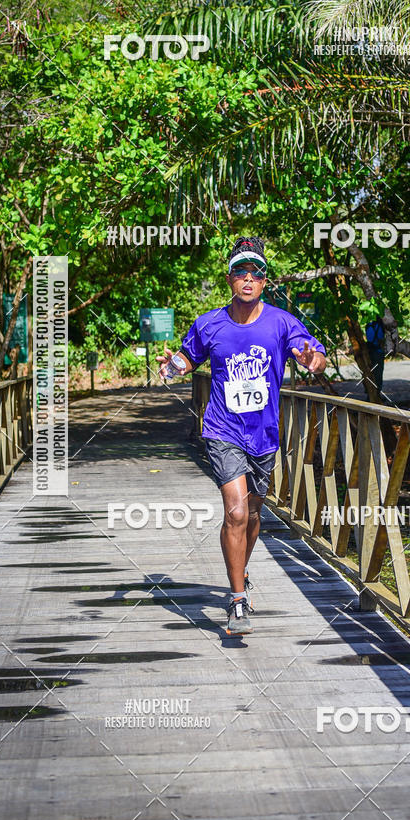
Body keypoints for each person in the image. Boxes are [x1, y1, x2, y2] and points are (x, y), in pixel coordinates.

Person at [156, 237, 327, 635]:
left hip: (265, 435)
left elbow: (315, 358)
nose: (248, 279)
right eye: (240, 272)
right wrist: (173, 367)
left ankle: (240, 570)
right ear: (230, 279)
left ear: (265, 282)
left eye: (256, 273)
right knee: (235, 511)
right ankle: (237, 599)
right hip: (222, 429)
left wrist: (311, 360)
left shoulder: (282, 323)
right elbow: (187, 357)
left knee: (252, 515)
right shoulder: (210, 322)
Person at [365, 316, 385, 395]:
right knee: (378, 374)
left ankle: (369, 393)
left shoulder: (368, 326)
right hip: (378, 353)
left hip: (369, 353)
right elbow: (381, 340)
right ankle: (377, 393)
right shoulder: (380, 327)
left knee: (370, 372)